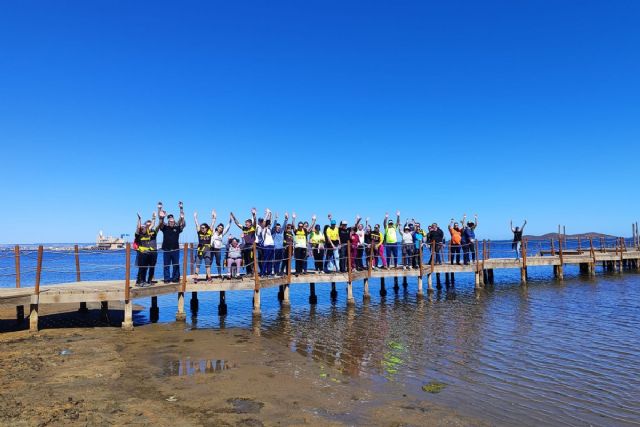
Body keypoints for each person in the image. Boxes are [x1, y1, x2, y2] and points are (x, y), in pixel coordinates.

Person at [157, 201, 185, 283]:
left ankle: (176, 278)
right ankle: (167, 279)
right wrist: (160, 210)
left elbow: (181, 221)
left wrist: (181, 208)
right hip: (166, 250)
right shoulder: (165, 227)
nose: (171, 222)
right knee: (166, 265)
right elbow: (160, 222)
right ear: (168, 222)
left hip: (175, 250)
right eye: (170, 221)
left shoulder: (177, 228)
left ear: (174, 221)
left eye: (173, 221)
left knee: (176, 265)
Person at [134, 212, 158, 286]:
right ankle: (139, 282)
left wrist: (153, 217)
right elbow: (138, 228)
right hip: (141, 252)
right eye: (143, 227)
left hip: (147, 253)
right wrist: (139, 219)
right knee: (142, 268)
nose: (144, 228)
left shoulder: (147, 232)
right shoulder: (138, 235)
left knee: (145, 268)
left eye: (145, 227)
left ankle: (142, 281)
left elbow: (152, 224)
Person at [231, 208, 257, 274]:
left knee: (251, 260)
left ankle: (253, 272)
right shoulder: (244, 228)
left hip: (251, 246)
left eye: (247, 223)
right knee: (246, 260)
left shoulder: (253, 228)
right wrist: (234, 217)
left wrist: (254, 215)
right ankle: (248, 272)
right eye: (245, 223)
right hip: (246, 246)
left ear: (250, 223)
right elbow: (238, 224)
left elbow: (255, 222)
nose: (246, 224)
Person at [193, 211, 214, 281]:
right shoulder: (199, 232)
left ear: (206, 228)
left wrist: (214, 217)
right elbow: (197, 225)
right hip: (200, 249)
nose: (202, 229)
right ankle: (196, 277)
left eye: (203, 227)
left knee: (207, 264)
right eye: (201, 228)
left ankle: (209, 277)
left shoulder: (209, 232)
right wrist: (195, 218)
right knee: (198, 264)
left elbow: (212, 224)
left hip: (207, 249)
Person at [211, 211, 232, 278]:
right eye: (220, 227)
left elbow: (227, 228)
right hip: (211, 248)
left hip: (218, 249)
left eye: (222, 228)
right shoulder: (213, 232)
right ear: (217, 227)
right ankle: (208, 274)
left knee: (218, 262)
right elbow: (212, 225)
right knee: (210, 262)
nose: (221, 229)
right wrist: (213, 217)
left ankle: (219, 274)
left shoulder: (222, 234)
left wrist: (230, 221)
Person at [259, 209, 275, 276]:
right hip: (267, 245)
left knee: (270, 261)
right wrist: (267, 214)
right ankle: (263, 273)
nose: (268, 224)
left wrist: (270, 213)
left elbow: (270, 221)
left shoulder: (269, 229)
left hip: (272, 245)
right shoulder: (262, 229)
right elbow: (265, 221)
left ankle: (269, 273)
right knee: (265, 260)